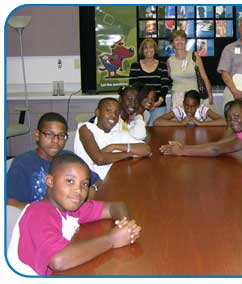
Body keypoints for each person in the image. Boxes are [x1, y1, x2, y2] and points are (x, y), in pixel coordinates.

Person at [7, 153, 141, 275]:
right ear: (50, 181)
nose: (78, 190)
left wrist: (125, 226)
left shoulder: (70, 209)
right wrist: (112, 240)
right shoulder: (39, 212)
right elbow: (58, 260)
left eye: (84, 184)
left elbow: (116, 206)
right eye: (70, 181)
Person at [7, 112, 102, 210]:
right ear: (37, 135)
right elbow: (10, 203)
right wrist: (47, 211)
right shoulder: (22, 164)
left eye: (61, 135)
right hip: (38, 220)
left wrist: (91, 191)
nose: (56, 140)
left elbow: (98, 181)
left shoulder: (68, 157)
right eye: (49, 134)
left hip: (71, 217)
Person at [159, 100, 242, 158]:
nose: (232, 121)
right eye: (229, 118)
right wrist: (183, 147)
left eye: (237, 116)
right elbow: (218, 144)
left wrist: (181, 151)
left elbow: (216, 150)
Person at [74, 98, 151, 179]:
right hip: (92, 182)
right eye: (109, 111)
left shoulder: (116, 132)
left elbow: (146, 149)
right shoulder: (86, 128)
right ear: (98, 112)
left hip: (113, 178)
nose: (113, 116)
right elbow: (99, 159)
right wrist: (129, 154)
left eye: (117, 113)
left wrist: (113, 146)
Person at [129, 38, 171, 126]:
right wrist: (144, 103)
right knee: (140, 130)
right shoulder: (135, 66)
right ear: (142, 50)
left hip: (159, 105)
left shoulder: (162, 65)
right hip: (140, 106)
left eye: (151, 47)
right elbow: (133, 87)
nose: (148, 50)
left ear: (155, 49)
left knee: (158, 132)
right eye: (145, 48)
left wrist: (157, 103)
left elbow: (165, 86)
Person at [167, 30, 213, 108]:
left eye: (182, 39)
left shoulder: (194, 56)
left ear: (186, 42)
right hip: (177, 97)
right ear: (172, 43)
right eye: (176, 40)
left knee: (197, 119)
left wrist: (210, 96)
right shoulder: (169, 61)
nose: (180, 42)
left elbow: (204, 77)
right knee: (180, 119)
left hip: (195, 95)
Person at [154, 90, 226, 127]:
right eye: (186, 106)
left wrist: (200, 123)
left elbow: (224, 121)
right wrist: (181, 123)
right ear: (183, 103)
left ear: (198, 105)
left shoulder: (202, 110)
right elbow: (157, 122)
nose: (189, 110)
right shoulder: (179, 110)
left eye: (193, 107)